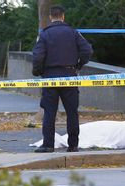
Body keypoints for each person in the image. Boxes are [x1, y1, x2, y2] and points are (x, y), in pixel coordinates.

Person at [32, 5, 93, 153]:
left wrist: (38, 71)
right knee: (72, 112)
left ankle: (48, 145)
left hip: (50, 77)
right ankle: (73, 145)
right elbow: (87, 50)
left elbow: (38, 55)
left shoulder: (45, 34)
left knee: (49, 112)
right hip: (70, 75)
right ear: (63, 16)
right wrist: (78, 65)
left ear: (51, 17)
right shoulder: (73, 33)